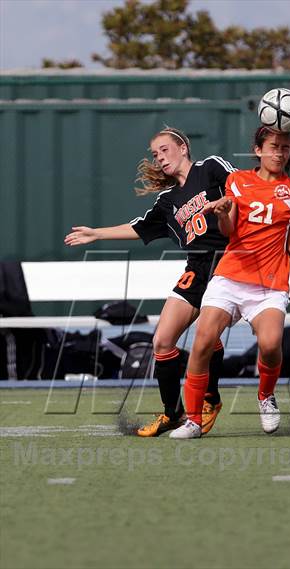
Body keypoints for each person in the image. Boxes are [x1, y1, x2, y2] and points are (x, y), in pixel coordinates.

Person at [169, 126, 290, 439]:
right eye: (273, 146)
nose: (279, 153)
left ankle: (265, 396)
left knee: (271, 345)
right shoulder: (237, 181)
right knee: (202, 341)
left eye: (285, 148)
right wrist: (222, 213)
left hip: (270, 284)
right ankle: (192, 420)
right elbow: (229, 230)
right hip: (231, 277)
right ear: (258, 150)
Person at [64, 127, 236, 436]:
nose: (159, 157)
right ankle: (173, 413)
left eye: (164, 149)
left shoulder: (210, 167)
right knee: (162, 341)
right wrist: (96, 233)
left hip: (229, 263)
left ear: (183, 147)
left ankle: (210, 399)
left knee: (207, 336)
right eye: (155, 154)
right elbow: (140, 228)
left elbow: (243, 190)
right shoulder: (167, 200)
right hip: (196, 268)